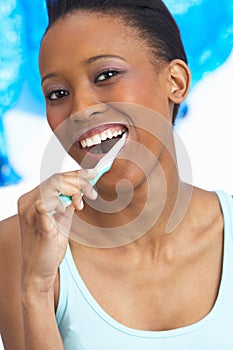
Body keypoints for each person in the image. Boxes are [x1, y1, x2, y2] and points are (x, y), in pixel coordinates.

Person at [0, 0, 232, 349]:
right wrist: (36, 289)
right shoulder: (18, 245)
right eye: (58, 93)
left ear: (176, 82)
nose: (80, 110)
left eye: (106, 75)